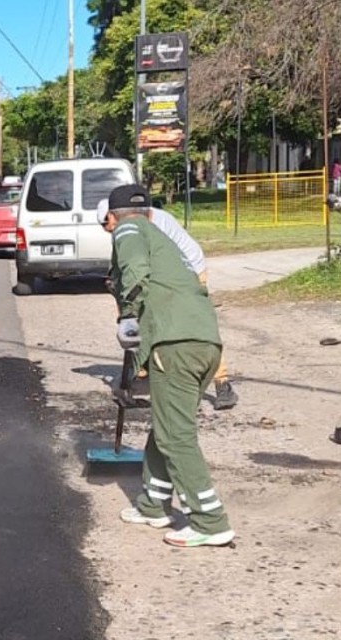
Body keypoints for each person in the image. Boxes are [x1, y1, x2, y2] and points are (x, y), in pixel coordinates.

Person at [106, 184, 234, 548]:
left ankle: (210, 520)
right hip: (204, 342)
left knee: (176, 437)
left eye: (108, 222)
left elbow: (135, 270)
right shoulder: (162, 236)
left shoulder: (128, 230)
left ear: (113, 218)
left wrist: (128, 317)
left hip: (174, 344)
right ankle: (153, 504)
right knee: (167, 425)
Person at [96, 198, 238, 409]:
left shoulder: (147, 224)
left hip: (189, 272)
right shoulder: (138, 221)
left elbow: (142, 267)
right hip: (170, 273)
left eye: (106, 226)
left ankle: (222, 383)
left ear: (111, 216)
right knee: (150, 321)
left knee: (191, 327)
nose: (109, 231)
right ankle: (145, 373)